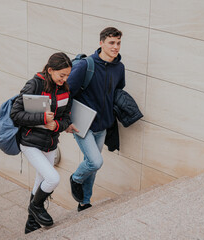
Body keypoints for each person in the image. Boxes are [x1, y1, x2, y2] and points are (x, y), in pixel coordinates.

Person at [10, 52, 72, 234]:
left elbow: (67, 117)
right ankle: (36, 207)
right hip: (30, 141)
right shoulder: (34, 84)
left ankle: (31, 224)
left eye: (67, 75)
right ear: (50, 70)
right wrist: (43, 118)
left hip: (50, 143)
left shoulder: (65, 89)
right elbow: (15, 114)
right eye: (62, 75)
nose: (65, 79)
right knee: (52, 178)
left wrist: (57, 125)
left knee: (40, 181)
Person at [66, 27, 125, 212]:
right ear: (101, 43)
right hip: (83, 125)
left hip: (103, 124)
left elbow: (117, 90)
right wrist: (67, 121)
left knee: (92, 165)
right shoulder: (86, 65)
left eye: (118, 43)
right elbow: (67, 92)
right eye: (111, 43)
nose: (115, 47)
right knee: (95, 162)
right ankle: (75, 179)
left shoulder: (119, 67)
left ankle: (85, 203)